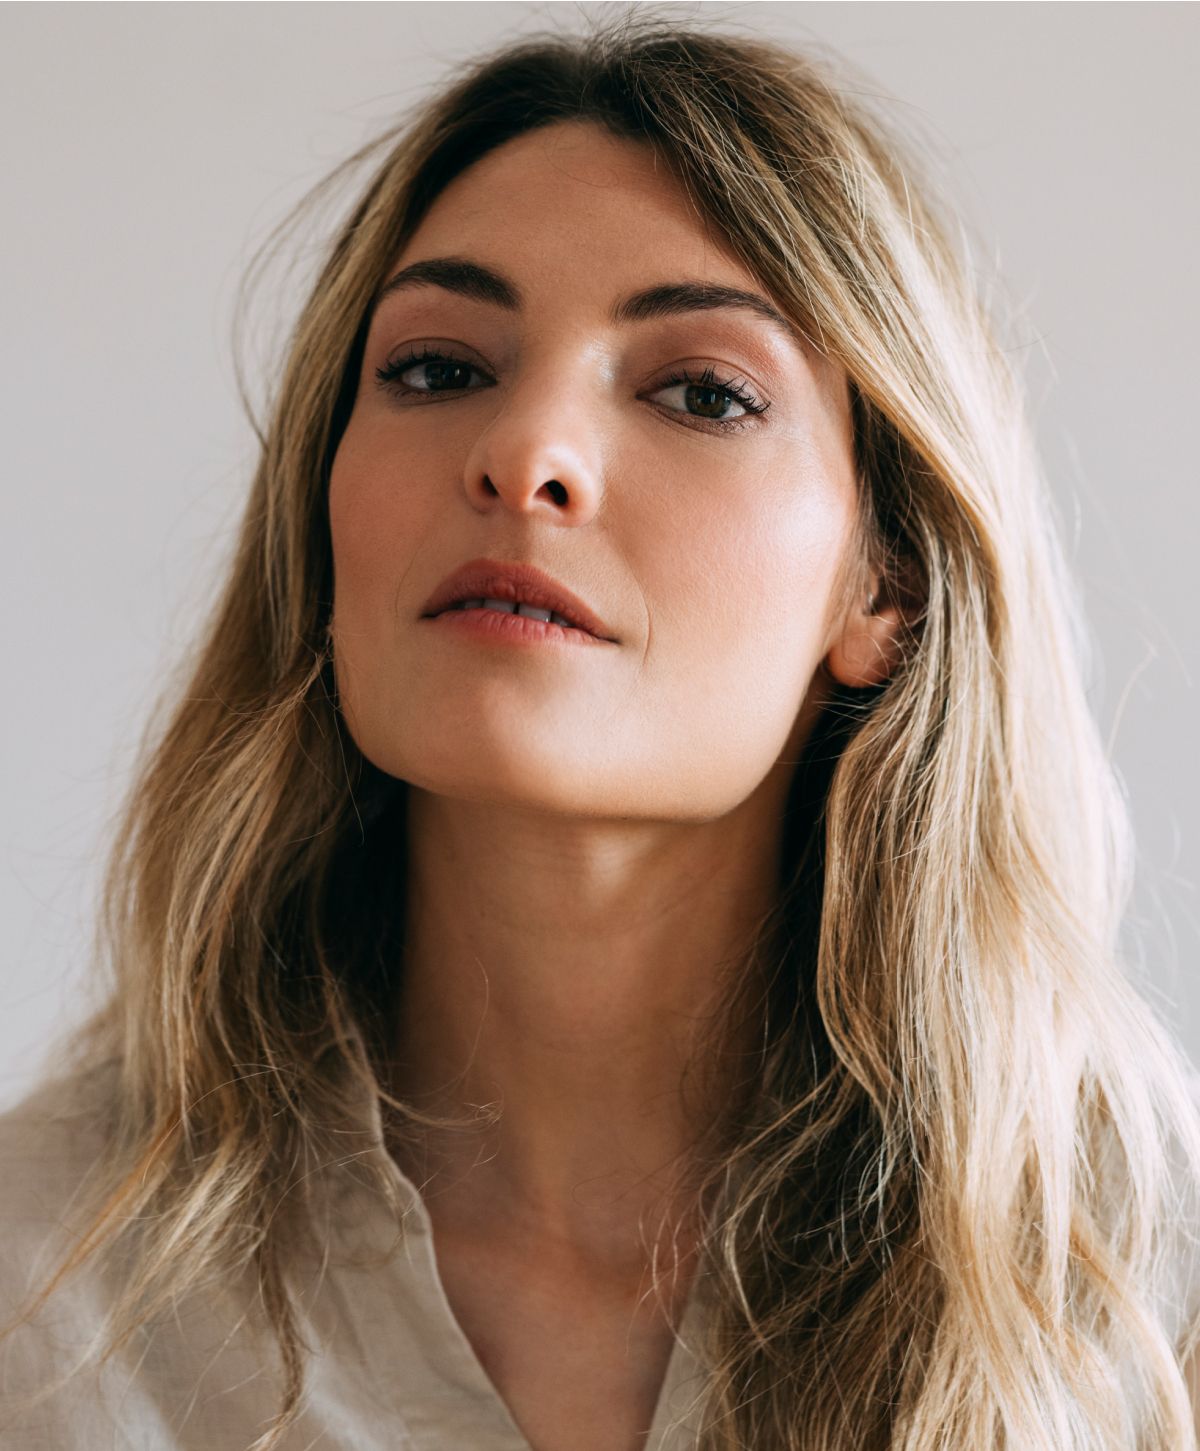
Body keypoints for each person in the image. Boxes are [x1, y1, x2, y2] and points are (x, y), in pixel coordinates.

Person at [3, 16, 1199, 1451]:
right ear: (321, 537)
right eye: (441, 368)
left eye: (701, 392)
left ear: (885, 581)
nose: (527, 456)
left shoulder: (1136, 1294)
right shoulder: (46, 1292)